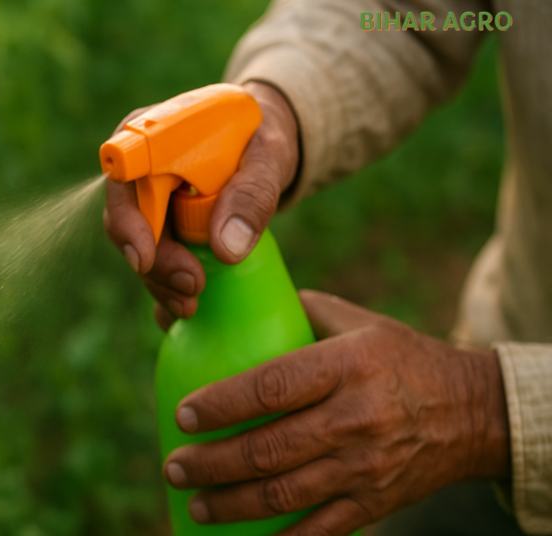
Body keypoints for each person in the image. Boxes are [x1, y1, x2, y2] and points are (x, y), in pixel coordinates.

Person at [103, 1, 551, 535]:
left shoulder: (473, 416)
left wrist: (485, 414)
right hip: (509, 342)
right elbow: (398, 11)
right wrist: (274, 111)